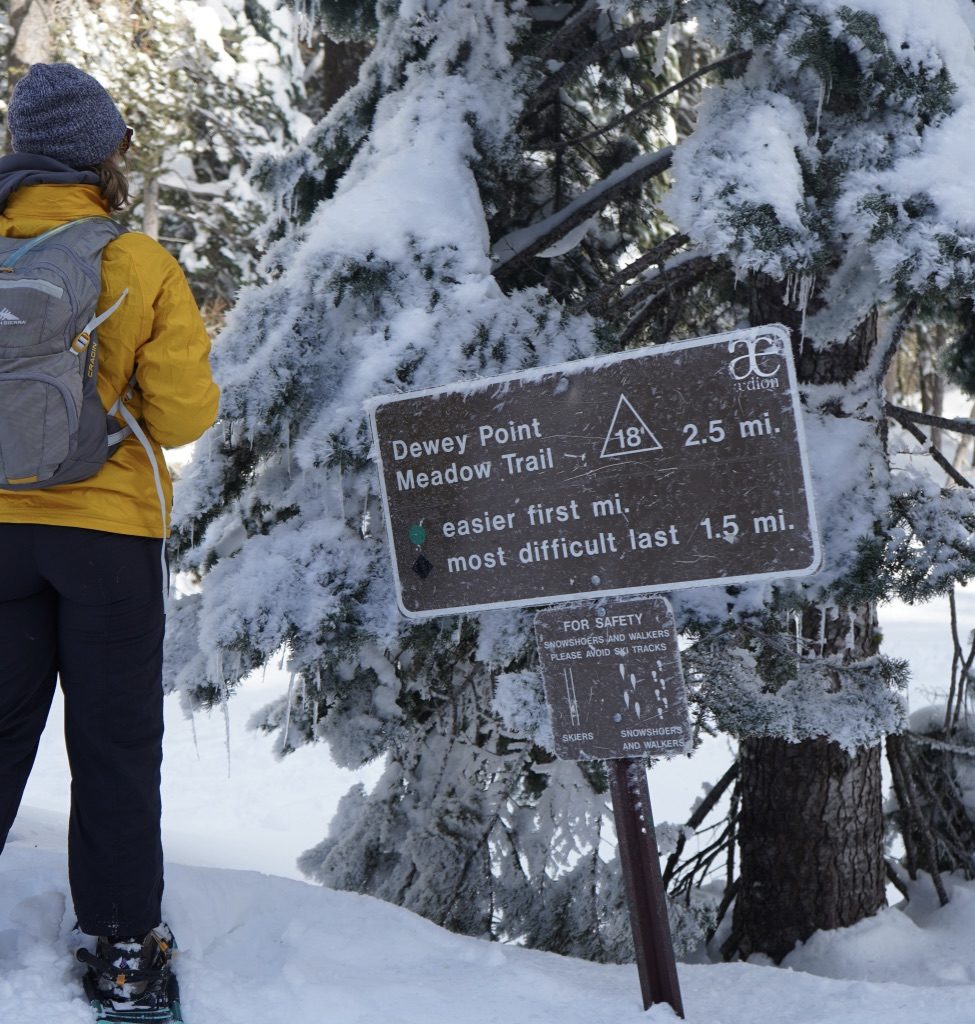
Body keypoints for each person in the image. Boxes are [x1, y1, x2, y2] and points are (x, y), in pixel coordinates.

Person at [0, 63, 219, 1013]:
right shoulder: (134, 259)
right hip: (105, 538)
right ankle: (125, 948)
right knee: (115, 742)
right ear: (103, 151)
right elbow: (177, 417)